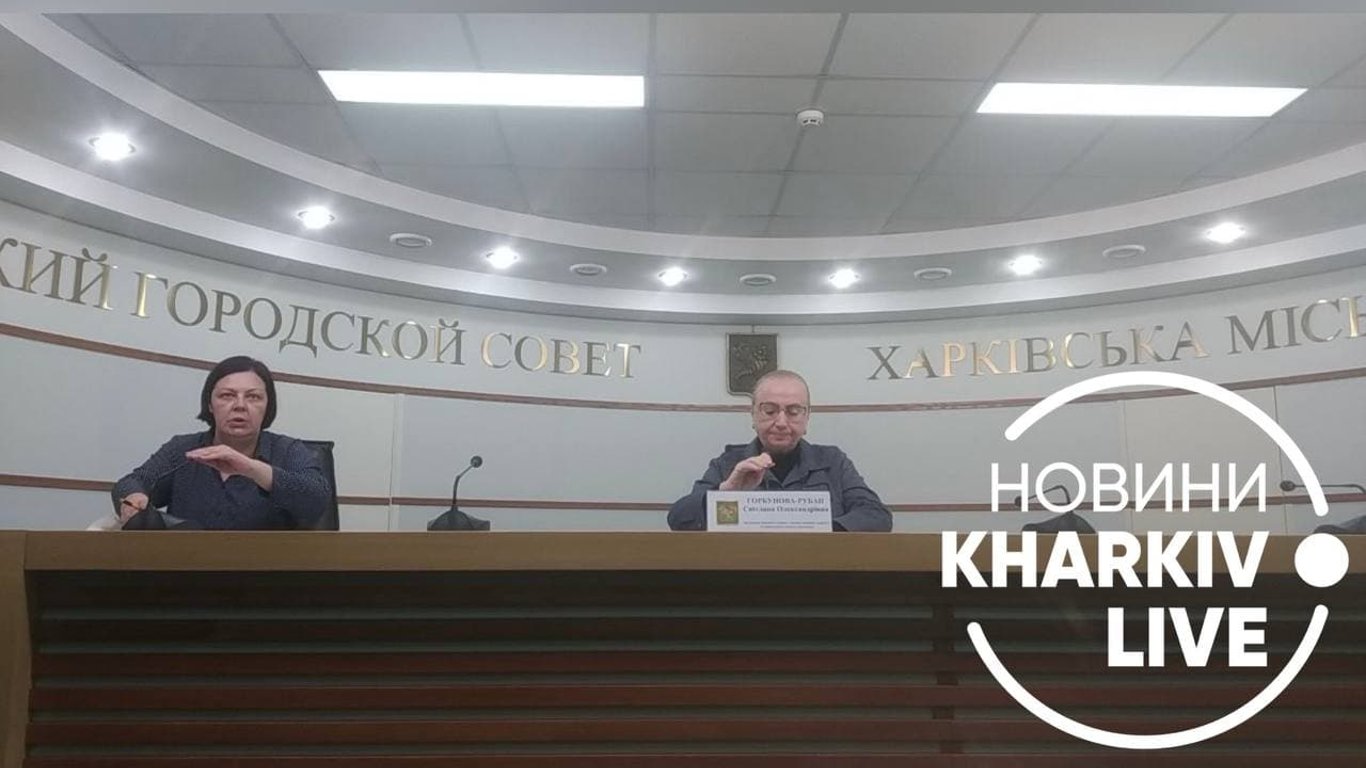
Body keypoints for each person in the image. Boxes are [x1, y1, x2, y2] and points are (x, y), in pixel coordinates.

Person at [111, 355, 331, 530]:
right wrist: (134, 497)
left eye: (253, 397)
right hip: (187, 567)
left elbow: (317, 499)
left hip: (265, 570)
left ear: (268, 406)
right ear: (210, 404)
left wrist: (251, 469)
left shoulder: (288, 450)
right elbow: (134, 481)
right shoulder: (184, 449)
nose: (240, 405)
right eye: (227, 395)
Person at [668, 369, 892, 532]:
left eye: (793, 411)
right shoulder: (728, 463)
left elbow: (877, 516)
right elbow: (679, 519)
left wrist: (821, 532)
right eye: (769, 411)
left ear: (807, 417)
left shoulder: (833, 462)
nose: (781, 422)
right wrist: (726, 492)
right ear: (753, 415)